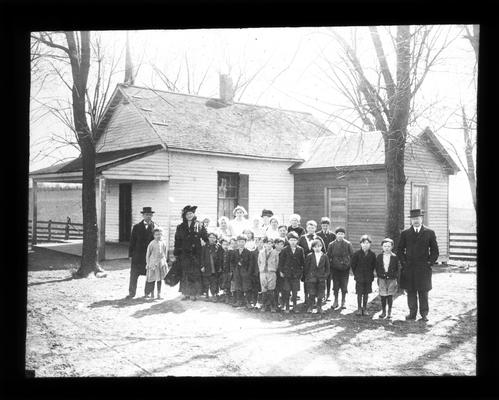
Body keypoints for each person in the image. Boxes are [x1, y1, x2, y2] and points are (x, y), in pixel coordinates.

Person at [397, 209, 439, 322]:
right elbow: (400, 250)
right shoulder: (405, 233)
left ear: (422, 219)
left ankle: (424, 314)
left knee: (423, 291)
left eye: (418, 218)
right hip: (409, 268)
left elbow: (435, 251)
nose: (416, 221)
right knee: (410, 291)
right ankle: (412, 313)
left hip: (423, 268)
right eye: (414, 219)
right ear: (411, 220)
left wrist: (429, 263)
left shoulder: (429, 232)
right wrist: (404, 263)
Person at [173, 205, 209, 301]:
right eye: (187, 214)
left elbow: (205, 237)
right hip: (184, 253)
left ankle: (194, 293)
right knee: (185, 272)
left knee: (194, 272)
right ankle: (185, 293)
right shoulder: (180, 227)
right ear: (184, 215)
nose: (189, 215)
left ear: (194, 214)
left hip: (196, 253)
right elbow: (177, 240)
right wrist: (177, 252)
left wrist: (203, 242)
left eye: (191, 213)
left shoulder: (199, 224)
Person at [126, 207, 157, 299]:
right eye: (146, 214)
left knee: (150, 274)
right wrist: (130, 255)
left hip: (150, 256)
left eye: (150, 215)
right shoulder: (136, 227)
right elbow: (132, 242)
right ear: (143, 215)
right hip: (137, 256)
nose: (148, 216)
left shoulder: (155, 227)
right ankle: (132, 293)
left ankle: (147, 293)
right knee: (134, 275)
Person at [327, 227, 354, 310]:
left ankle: (343, 301)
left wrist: (348, 265)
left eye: (342, 234)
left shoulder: (348, 244)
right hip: (335, 268)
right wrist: (331, 266)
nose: (340, 235)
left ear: (344, 235)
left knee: (344, 285)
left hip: (345, 268)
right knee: (335, 285)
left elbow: (352, 255)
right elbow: (328, 256)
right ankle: (336, 301)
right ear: (336, 234)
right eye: (338, 234)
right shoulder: (331, 244)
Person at [278, 231, 305, 314]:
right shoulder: (284, 250)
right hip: (287, 274)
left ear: (297, 240)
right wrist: (281, 271)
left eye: (294, 240)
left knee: (295, 290)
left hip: (296, 274)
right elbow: (281, 262)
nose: (293, 242)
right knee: (286, 290)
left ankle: (295, 306)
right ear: (288, 240)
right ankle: (287, 306)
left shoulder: (300, 250)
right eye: (291, 240)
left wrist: (301, 272)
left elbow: (302, 262)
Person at [351, 235, 376, 316]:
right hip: (359, 277)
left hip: (368, 277)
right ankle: (359, 308)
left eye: (367, 243)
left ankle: (364, 308)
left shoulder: (372, 254)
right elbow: (353, 265)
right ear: (360, 244)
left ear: (370, 244)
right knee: (359, 293)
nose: (365, 245)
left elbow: (373, 266)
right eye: (364, 243)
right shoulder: (357, 254)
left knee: (366, 293)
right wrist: (357, 274)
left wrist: (370, 274)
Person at [376, 238, 401, 319]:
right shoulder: (379, 257)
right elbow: (377, 268)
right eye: (385, 246)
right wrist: (380, 275)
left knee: (390, 295)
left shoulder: (395, 257)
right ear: (382, 247)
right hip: (382, 278)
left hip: (392, 278)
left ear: (392, 247)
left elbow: (397, 269)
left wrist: (395, 277)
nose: (387, 248)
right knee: (383, 295)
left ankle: (389, 311)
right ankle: (383, 311)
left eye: (388, 246)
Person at [303, 239, 330, 315]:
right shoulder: (309, 256)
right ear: (312, 248)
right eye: (315, 247)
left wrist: (324, 276)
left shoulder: (324, 256)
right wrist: (308, 277)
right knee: (311, 293)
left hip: (321, 278)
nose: (317, 248)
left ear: (321, 247)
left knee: (320, 294)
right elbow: (306, 268)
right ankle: (310, 307)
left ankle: (319, 307)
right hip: (312, 278)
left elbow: (327, 268)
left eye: (319, 246)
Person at [316, 217, 337, 302]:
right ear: (321, 225)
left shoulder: (332, 235)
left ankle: (328, 294)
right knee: (320, 277)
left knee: (328, 276)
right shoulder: (317, 234)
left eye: (326, 225)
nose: (325, 227)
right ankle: (321, 294)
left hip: (329, 259)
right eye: (323, 225)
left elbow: (334, 246)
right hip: (320, 258)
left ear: (329, 226)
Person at [144, 227, 168, 299]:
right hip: (153, 264)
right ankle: (152, 294)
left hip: (160, 264)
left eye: (160, 234)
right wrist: (148, 263)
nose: (158, 236)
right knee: (152, 279)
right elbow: (148, 254)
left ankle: (159, 293)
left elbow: (165, 253)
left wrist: (164, 262)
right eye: (156, 234)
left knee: (159, 279)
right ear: (154, 235)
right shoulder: (151, 244)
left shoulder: (163, 243)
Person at [230, 234, 253, 308]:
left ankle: (248, 302)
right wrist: (234, 270)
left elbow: (251, 264)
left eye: (243, 241)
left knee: (247, 287)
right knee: (238, 287)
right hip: (237, 272)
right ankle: (239, 301)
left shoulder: (248, 252)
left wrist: (248, 273)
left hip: (245, 273)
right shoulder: (234, 252)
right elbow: (232, 262)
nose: (241, 243)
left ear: (245, 242)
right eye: (239, 241)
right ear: (237, 242)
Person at [200, 232, 223, 301]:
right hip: (207, 267)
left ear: (216, 239)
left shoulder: (218, 247)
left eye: (213, 237)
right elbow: (202, 257)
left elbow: (220, 258)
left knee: (214, 282)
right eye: (210, 237)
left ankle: (213, 295)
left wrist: (220, 267)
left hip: (215, 267)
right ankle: (206, 295)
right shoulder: (204, 247)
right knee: (206, 282)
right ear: (208, 238)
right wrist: (202, 266)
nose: (212, 239)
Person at [257, 238, 278, 312]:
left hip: (271, 272)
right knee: (264, 289)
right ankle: (264, 305)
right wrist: (261, 269)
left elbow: (277, 262)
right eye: (266, 243)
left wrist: (272, 269)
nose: (268, 245)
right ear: (264, 244)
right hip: (263, 272)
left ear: (272, 244)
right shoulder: (261, 252)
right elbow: (259, 262)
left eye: (270, 243)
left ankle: (272, 306)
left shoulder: (275, 252)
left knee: (271, 289)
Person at [219, 238, 233, 304]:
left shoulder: (230, 252)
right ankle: (224, 296)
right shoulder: (220, 252)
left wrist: (230, 271)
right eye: (224, 244)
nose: (225, 246)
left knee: (228, 284)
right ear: (221, 245)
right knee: (223, 283)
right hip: (222, 271)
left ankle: (228, 297)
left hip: (228, 271)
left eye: (227, 244)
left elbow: (231, 262)